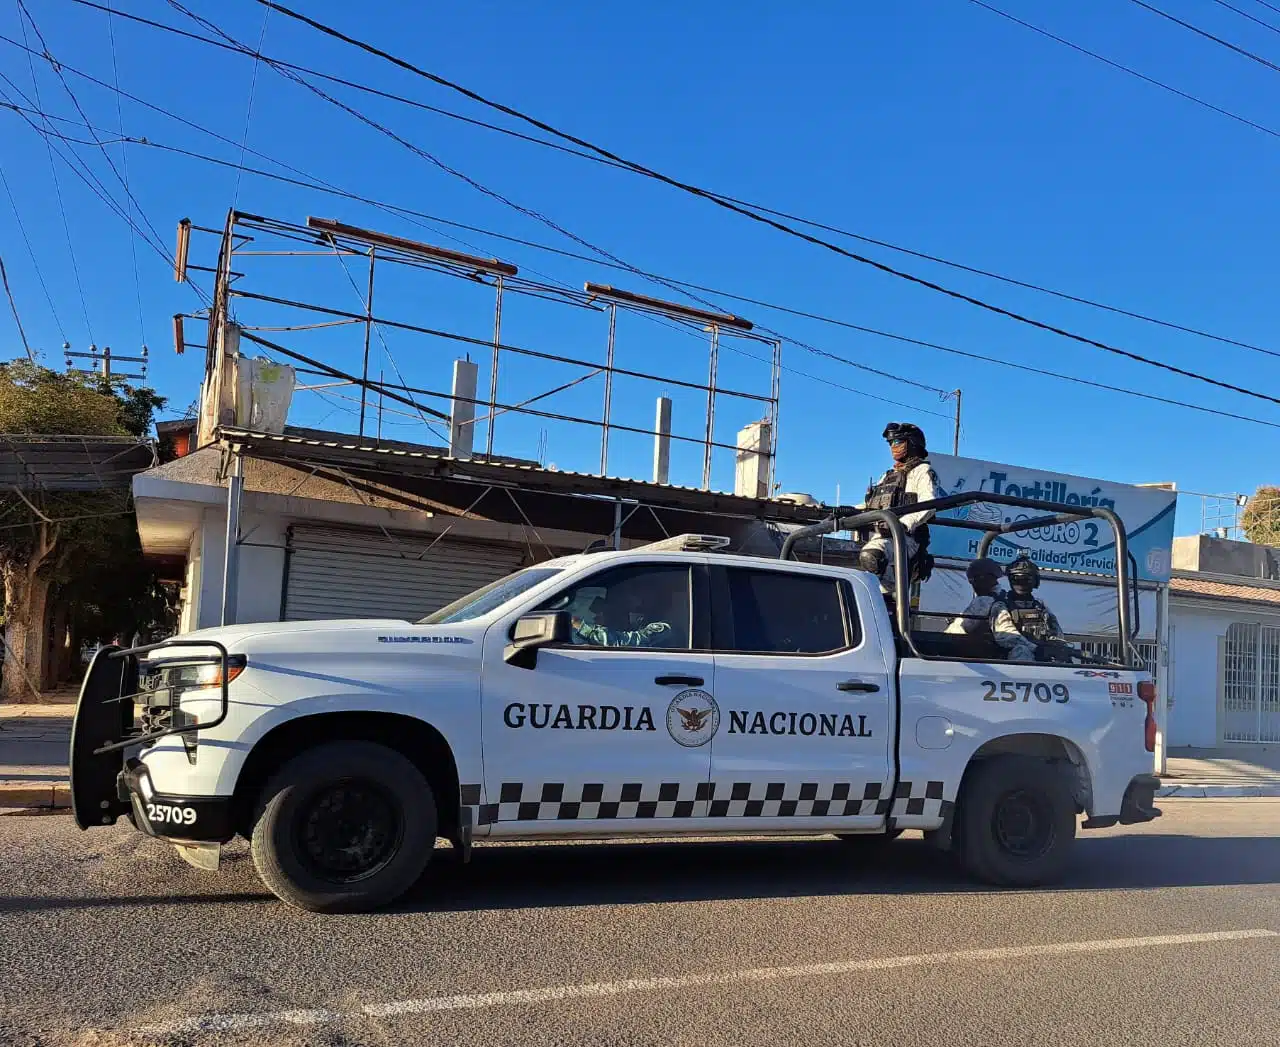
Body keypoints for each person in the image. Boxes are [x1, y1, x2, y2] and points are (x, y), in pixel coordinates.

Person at [857, 422, 946, 582]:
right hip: (882, 536)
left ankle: (892, 595)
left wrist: (903, 524)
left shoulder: (922, 471)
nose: (893, 446)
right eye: (890, 443)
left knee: (871, 557)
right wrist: (843, 513)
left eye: (897, 442)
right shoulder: (888, 476)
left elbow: (929, 503)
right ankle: (886, 599)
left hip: (906, 538)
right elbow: (870, 507)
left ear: (912, 443)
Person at [990, 557, 1065, 661]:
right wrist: (1035, 649)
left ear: (1035, 582)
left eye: (1026, 579)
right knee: (1021, 650)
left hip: (1041, 655)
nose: (1021, 583)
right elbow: (1005, 635)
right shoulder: (1001, 605)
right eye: (1016, 579)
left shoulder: (1040, 606)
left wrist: (1055, 647)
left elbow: (1056, 633)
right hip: (1012, 660)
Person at [567, 586, 672, 648]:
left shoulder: (663, 628)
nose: (635, 601)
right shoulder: (639, 623)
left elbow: (625, 643)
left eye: (637, 595)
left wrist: (583, 628)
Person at [945, 557, 1007, 635]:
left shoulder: (983, 601)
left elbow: (959, 630)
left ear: (981, 579)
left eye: (972, 580)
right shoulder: (1003, 596)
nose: (972, 584)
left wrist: (954, 625)